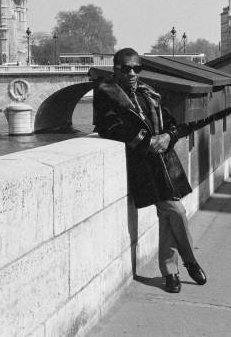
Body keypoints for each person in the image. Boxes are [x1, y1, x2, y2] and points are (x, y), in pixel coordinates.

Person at [93, 48, 207, 293]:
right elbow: (110, 126)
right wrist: (147, 141)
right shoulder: (106, 93)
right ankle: (190, 260)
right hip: (143, 167)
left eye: (137, 68)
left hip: (166, 164)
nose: (132, 73)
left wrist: (168, 135)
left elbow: (173, 122)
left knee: (167, 217)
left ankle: (170, 272)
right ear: (116, 69)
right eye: (126, 68)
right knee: (175, 210)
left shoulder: (149, 93)